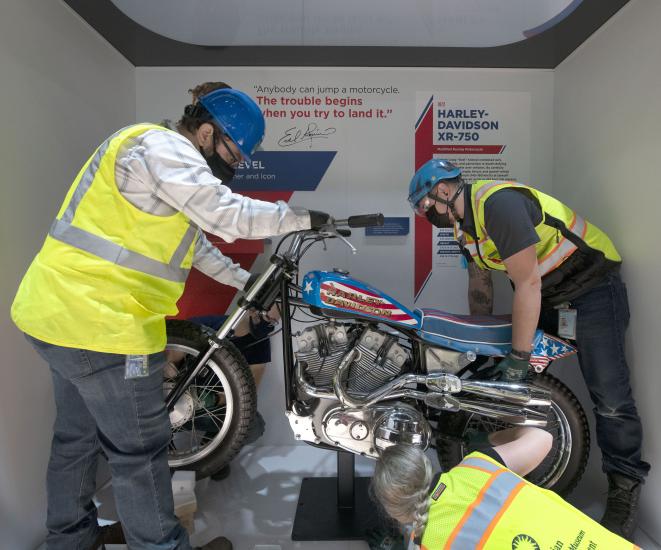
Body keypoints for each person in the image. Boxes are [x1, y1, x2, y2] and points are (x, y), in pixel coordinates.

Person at [11, 85, 329, 550]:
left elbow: (194, 245)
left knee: (76, 440)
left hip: (57, 318)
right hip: (106, 329)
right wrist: (301, 219)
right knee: (140, 452)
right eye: (234, 155)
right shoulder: (161, 149)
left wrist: (244, 283)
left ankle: (70, 541)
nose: (235, 167)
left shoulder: (156, 162)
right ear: (204, 133)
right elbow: (226, 217)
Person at [406, 159, 650, 540]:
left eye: (424, 207)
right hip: (552, 295)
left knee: (610, 396)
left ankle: (624, 491)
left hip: (592, 287)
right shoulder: (462, 227)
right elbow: (480, 286)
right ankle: (520, 464)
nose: (425, 216)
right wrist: (482, 349)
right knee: (513, 388)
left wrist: (518, 360)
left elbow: (527, 283)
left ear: (442, 190)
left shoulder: (497, 204)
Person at [372, 428, 637, 549]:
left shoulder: (430, 544)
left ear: (394, 510)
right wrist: (488, 441)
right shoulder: (477, 466)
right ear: (424, 465)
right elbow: (542, 438)